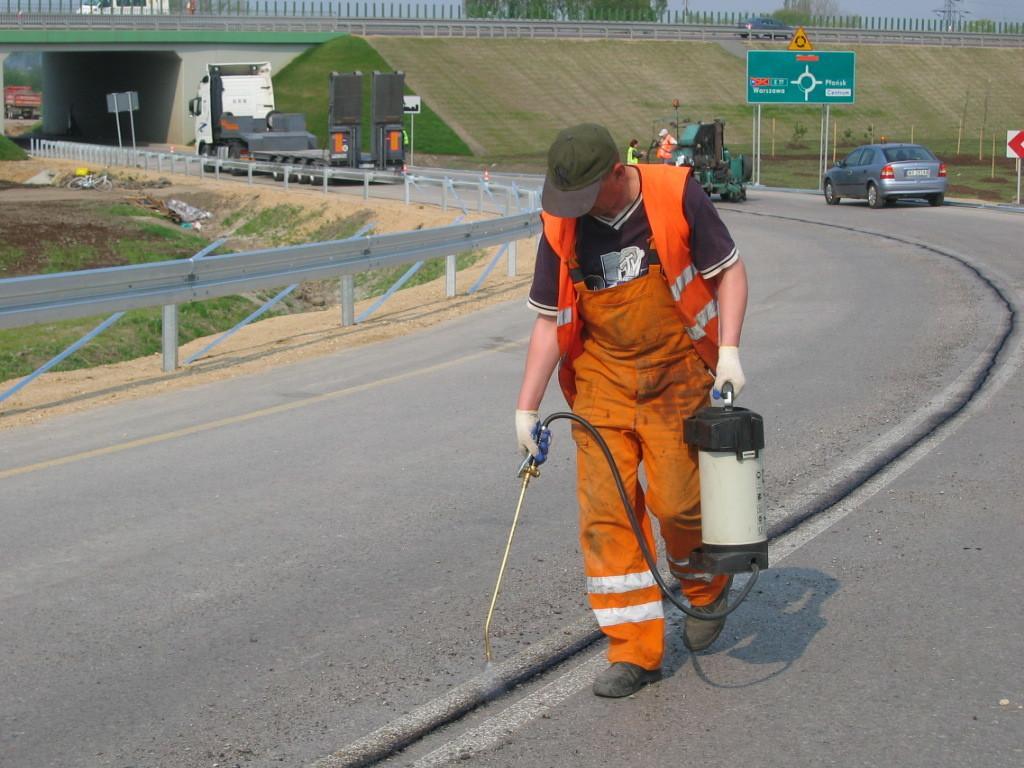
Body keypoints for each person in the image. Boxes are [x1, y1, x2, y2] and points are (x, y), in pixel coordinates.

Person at [515, 123, 748, 698]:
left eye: (588, 194)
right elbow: (549, 321)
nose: (579, 209)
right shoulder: (562, 224)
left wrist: (731, 351)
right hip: (602, 380)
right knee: (605, 517)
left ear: (617, 172)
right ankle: (634, 651)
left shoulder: (675, 193)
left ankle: (704, 587)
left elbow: (729, 274)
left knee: (678, 501)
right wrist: (526, 408)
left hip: (676, 372)